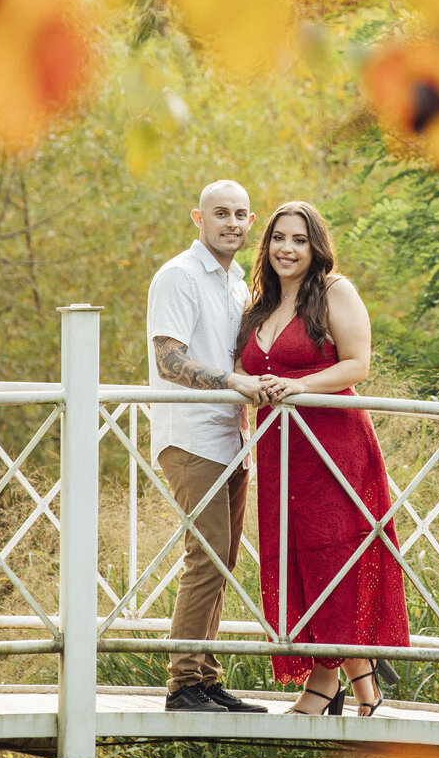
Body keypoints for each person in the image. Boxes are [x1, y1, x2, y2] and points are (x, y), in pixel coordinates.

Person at [237, 201, 410, 715]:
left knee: (336, 554)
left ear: (316, 247)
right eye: (278, 239)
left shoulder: (334, 291)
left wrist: (296, 385)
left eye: (299, 240)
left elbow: (359, 363)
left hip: (334, 443)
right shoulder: (260, 304)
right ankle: (364, 683)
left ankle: (322, 683)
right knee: (296, 556)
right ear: (265, 245)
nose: (287, 249)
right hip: (279, 450)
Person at [147, 179, 268, 714]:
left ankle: (205, 677)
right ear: (198, 218)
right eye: (221, 213)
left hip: (231, 436)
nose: (233, 224)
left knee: (224, 558)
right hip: (191, 435)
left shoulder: (237, 281)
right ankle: (182, 686)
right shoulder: (178, 276)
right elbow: (168, 362)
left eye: (241, 215)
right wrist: (232, 381)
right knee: (208, 554)